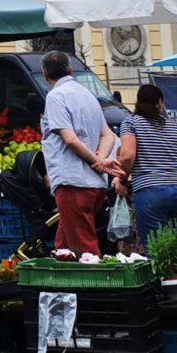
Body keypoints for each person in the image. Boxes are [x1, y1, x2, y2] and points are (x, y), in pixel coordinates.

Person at [41, 49, 122, 255]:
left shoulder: (55, 97)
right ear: (70, 70)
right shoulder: (89, 95)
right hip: (95, 183)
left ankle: (97, 286)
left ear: (45, 74)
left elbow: (69, 139)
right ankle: (61, 285)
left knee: (86, 250)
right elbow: (108, 135)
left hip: (72, 181)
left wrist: (97, 161)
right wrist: (101, 161)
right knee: (65, 246)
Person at [114, 84, 177, 246]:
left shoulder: (131, 123)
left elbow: (127, 156)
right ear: (159, 102)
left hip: (150, 191)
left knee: (157, 248)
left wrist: (122, 180)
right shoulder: (175, 127)